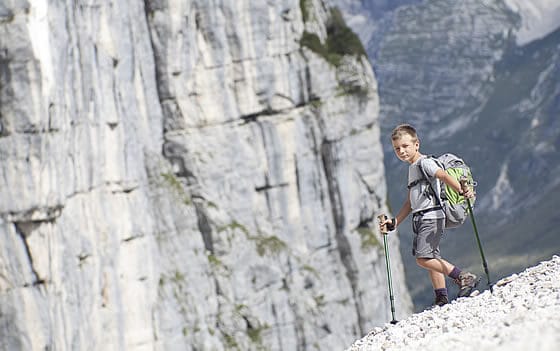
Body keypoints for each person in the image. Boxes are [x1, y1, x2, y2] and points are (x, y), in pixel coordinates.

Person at [379, 124, 479, 307]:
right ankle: (441, 297)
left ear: (416, 144)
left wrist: (461, 189)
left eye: (405, 146)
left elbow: (442, 175)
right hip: (422, 218)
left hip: (431, 216)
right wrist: (395, 222)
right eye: (397, 149)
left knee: (423, 258)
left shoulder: (425, 163)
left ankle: (463, 276)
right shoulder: (413, 168)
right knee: (432, 255)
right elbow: (410, 202)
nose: (401, 151)